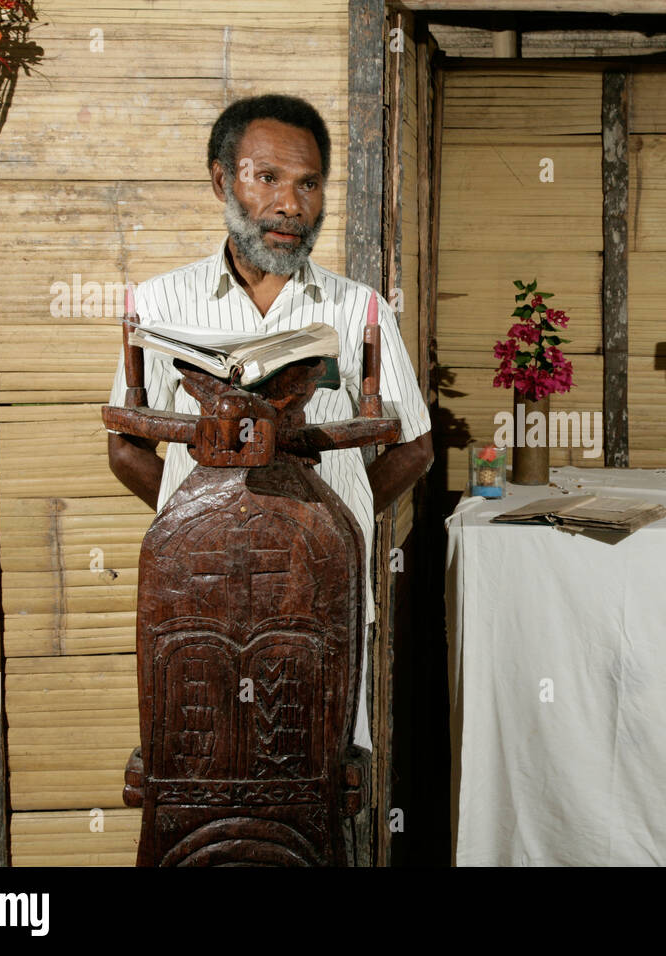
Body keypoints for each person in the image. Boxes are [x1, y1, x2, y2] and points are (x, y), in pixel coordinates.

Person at [106, 94, 433, 752]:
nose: (291, 204)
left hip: (321, 600)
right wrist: (198, 521)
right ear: (222, 180)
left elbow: (416, 448)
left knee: (321, 776)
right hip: (193, 599)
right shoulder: (162, 302)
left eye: (309, 183)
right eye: (268, 178)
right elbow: (126, 447)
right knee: (202, 769)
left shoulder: (356, 307)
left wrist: (330, 526)